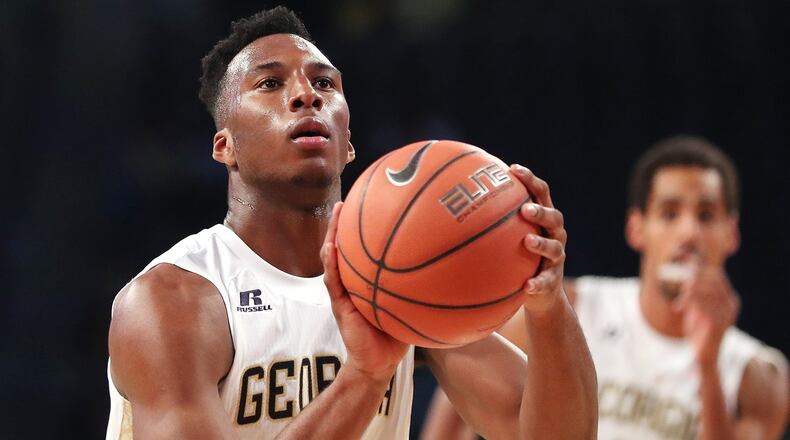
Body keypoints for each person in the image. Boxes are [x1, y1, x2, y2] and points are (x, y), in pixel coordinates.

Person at [105, 6, 597, 439]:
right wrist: (364, 377)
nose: (305, 95)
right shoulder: (172, 300)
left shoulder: (402, 280)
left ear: (348, 142)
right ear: (224, 145)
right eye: (270, 83)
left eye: (324, 83)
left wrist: (547, 305)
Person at [422, 135, 789, 440]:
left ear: (732, 233)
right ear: (636, 227)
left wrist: (708, 366)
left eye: (706, 216)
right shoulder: (571, 307)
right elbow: (457, 408)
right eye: (670, 213)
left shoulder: (758, 374)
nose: (689, 233)